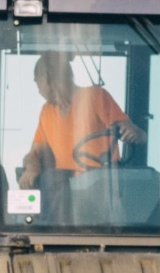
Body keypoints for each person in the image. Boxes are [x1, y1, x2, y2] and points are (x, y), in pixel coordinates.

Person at [17, 54, 146, 189]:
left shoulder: (95, 96)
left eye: (36, 80)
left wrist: (134, 132)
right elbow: (33, 154)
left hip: (100, 186)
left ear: (47, 78)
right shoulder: (46, 112)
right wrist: (32, 168)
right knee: (52, 179)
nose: (37, 89)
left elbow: (131, 130)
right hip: (66, 190)